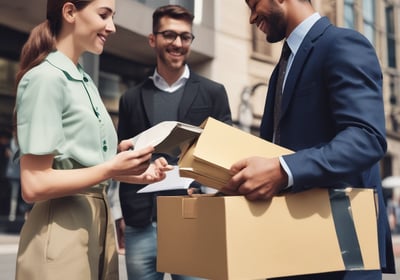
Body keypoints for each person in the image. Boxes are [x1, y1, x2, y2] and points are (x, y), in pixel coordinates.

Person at [223, 0, 396, 279]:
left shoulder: (343, 44)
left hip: (342, 248)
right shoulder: (280, 69)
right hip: (290, 247)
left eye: (254, 4)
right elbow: (272, 150)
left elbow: (366, 138)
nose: (252, 17)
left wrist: (282, 170)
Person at [14, 1, 172, 279]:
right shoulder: (46, 79)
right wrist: (110, 168)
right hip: (60, 231)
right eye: (104, 15)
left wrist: (134, 171)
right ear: (70, 12)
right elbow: (33, 184)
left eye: (113, 16)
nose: (111, 26)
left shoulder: (85, 80)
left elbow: (86, 167)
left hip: (99, 225)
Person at [115, 4, 232, 280]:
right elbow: (121, 158)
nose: (178, 43)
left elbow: (224, 155)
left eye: (185, 36)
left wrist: (209, 194)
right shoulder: (130, 98)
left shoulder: (213, 93)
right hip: (141, 223)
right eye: (169, 35)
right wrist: (119, 213)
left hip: (192, 221)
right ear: (153, 39)